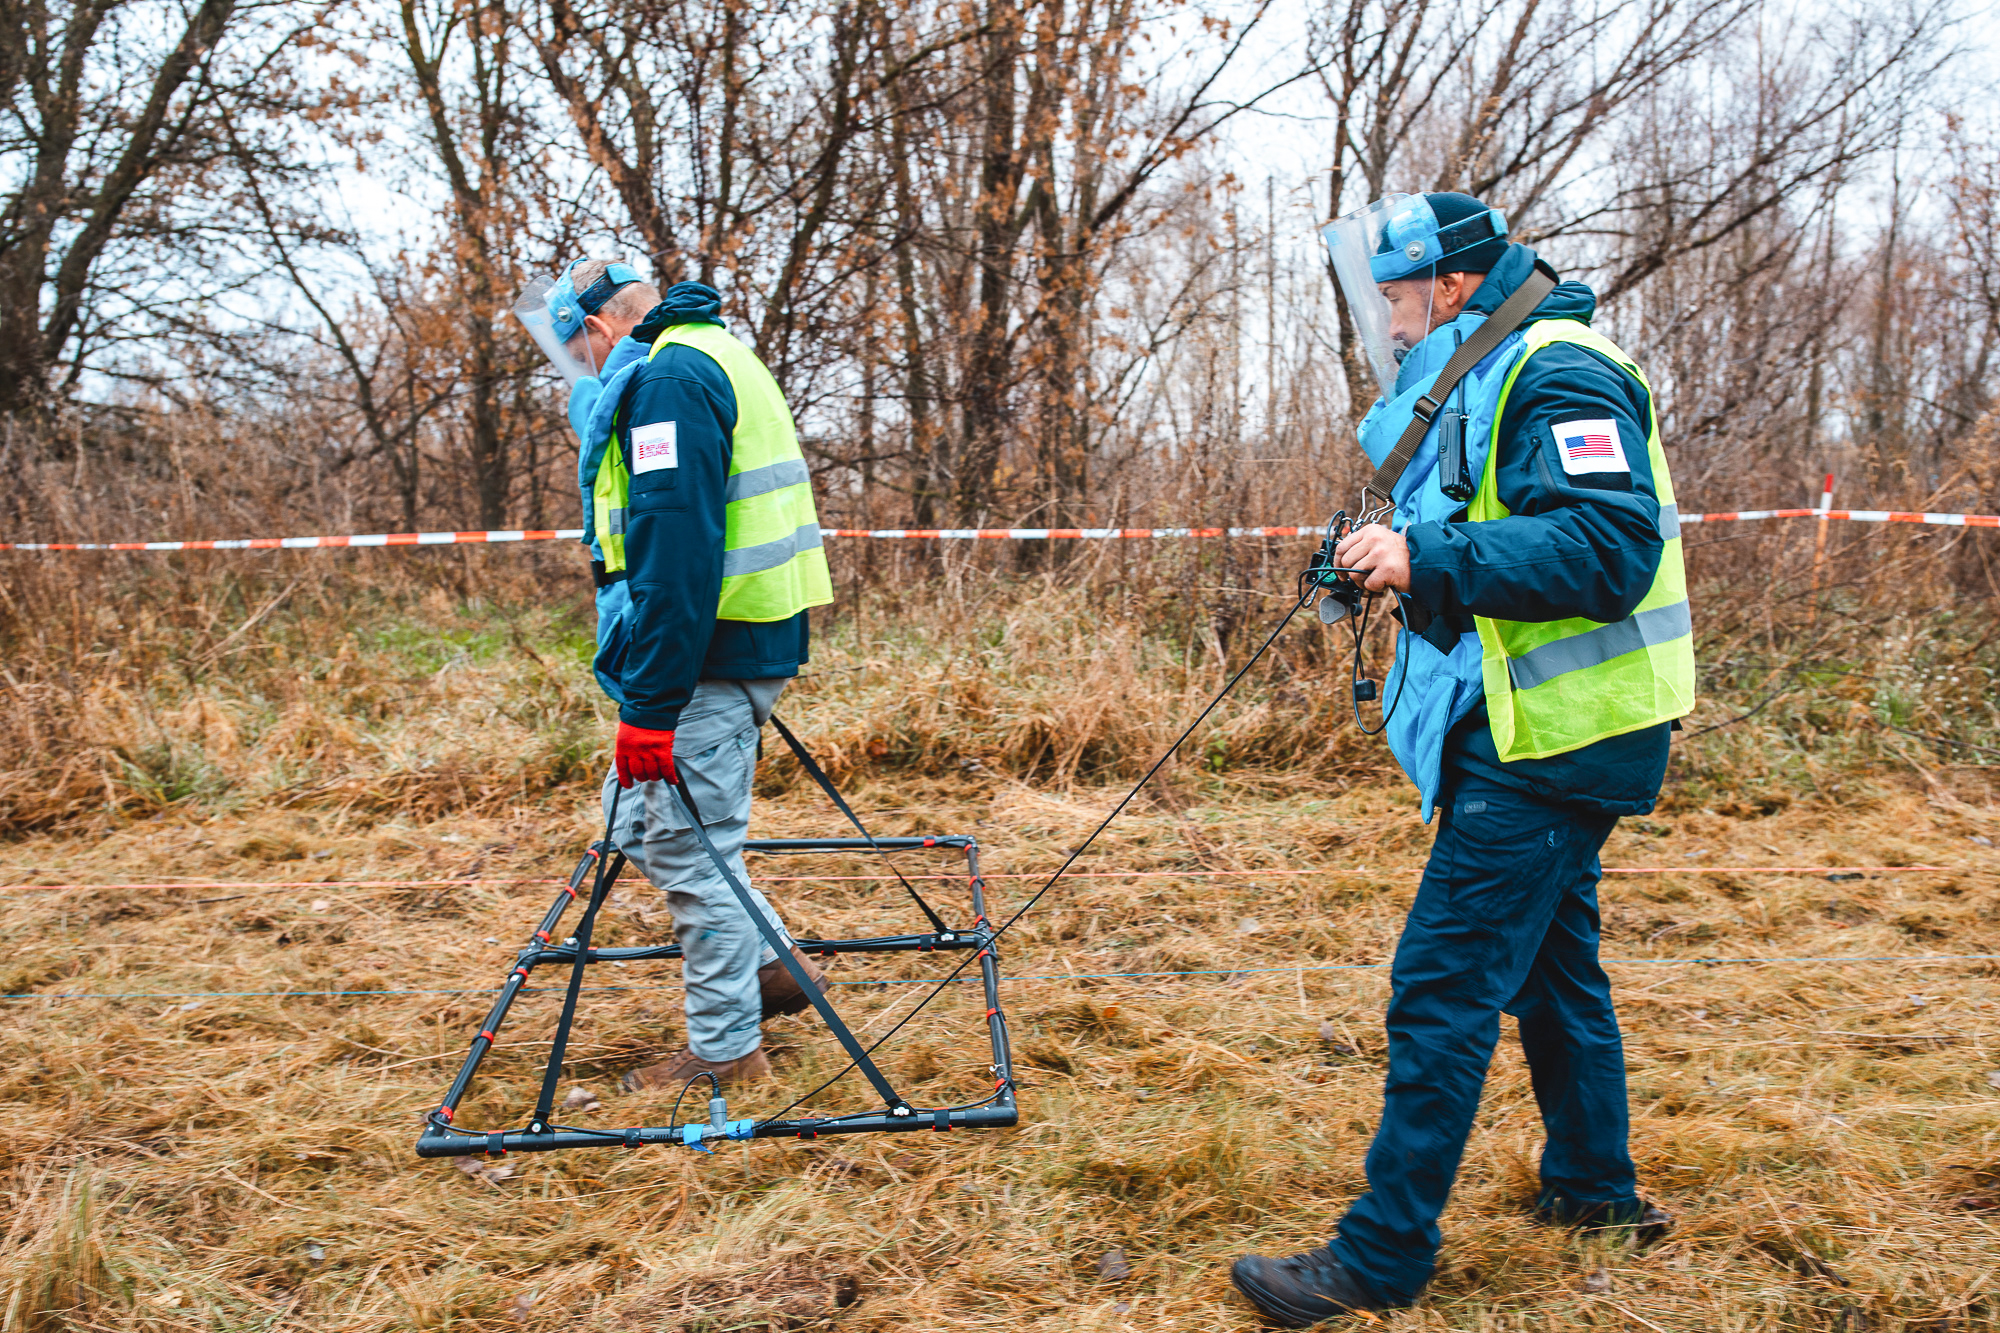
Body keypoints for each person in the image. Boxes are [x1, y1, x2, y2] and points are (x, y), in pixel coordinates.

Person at [1229, 193, 1693, 1324]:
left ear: (1448, 287)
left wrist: (1422, 551)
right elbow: (1471, 536)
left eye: (1393, 297)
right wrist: (1386, 562)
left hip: (1557, 739)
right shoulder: (1476, 379)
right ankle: (1596, 1194)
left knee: (1439, 986)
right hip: (1530, 731)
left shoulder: (1557, 369)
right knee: (1551, 969)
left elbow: (1606, 546)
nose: (1385, 321)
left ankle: (1377, 1260)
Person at [525, 258, 836, 1092]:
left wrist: (650, 704)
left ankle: (726, 1050)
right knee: (637, 820)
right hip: (739, 637)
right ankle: (775, 970)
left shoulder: (668, 380)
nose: (584, 374)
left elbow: (675, 554)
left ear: (597, 330)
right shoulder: (717, 349)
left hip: (709, 650)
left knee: (688, 848)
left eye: (577, 353)